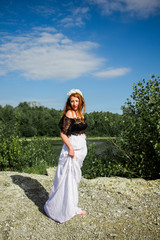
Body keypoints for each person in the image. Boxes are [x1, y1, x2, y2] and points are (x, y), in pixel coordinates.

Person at [44, 89, 88, 223]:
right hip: (72, 147)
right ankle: (62, 209)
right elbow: (63, 134)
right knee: (67, 178)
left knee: (74, 178)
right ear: (69, 102)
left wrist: (83, 136)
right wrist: (70, 148)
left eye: (77, 100)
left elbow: (80, 128)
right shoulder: (69, 113)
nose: (75, 103)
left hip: (81, 147)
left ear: (80, 101)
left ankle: (72, 206)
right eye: (72, 101)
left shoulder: (80, 113)